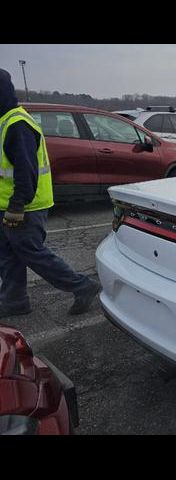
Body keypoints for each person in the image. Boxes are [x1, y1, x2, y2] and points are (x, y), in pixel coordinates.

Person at [0, 69, 100, 318]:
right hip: (10, 204)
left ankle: (82, 286)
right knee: (9, 255)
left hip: (25, 206)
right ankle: (14, 302)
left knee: (31, 252)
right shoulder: (5, 120)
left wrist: (17, 205)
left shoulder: (17, 125)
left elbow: (26, 171)